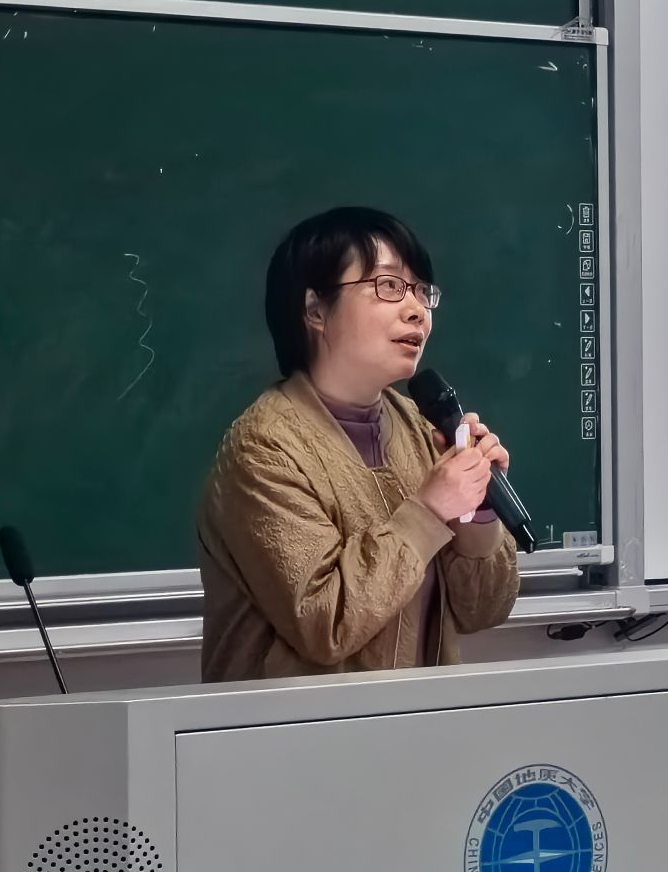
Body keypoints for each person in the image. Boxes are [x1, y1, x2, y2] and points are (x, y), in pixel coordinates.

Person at [197, 208, 520, 680]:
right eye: (388, 286)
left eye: (422, 292)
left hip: (418, 718)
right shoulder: (263, 448)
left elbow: (483, 610)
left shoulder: (420, 427)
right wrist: (429, 511)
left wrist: (479, 510)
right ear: (315, 310)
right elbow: (325, 624)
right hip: (296, 724)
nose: (416, 310)